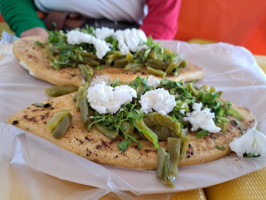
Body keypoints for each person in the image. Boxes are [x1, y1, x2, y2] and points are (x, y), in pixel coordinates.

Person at [0, 0, 181, 40]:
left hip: (127, 39)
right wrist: (32, 31)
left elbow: (165, 9)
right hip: (49, 35)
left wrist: (147, 46)